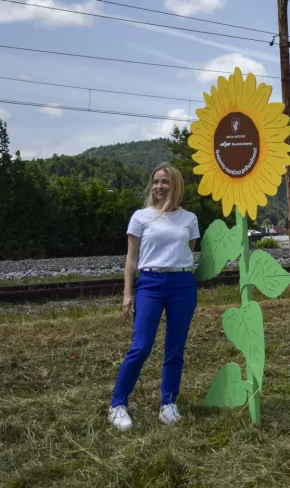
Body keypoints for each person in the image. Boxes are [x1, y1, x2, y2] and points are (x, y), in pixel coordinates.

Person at [108, 162, 200, 432]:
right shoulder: (140, 216)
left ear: (176, 185)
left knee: (175, 348)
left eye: (165, 182)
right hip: (149, 283)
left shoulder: (189, 218)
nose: (160, 187)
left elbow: (188, 251)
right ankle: (117, 404)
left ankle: (168, 404)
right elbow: (131, 257)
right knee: (141, 346)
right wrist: (128, 293)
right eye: (156, 182)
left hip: (182, 284)